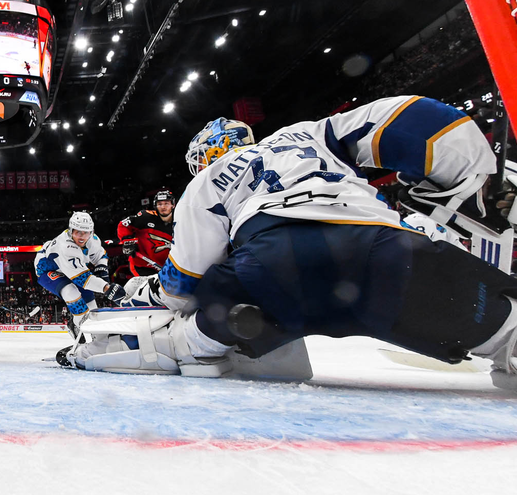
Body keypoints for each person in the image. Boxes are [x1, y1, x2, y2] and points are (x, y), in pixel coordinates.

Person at [60, 96, 517, 391]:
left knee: (190, 334)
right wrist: (469, 183)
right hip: (383, 251)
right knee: (507, 336)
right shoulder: (309, 133)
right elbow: (411, 120)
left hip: (273, 268)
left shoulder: (206, 183)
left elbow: (183, 286)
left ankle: (191, 343)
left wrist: (157, 294)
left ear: (204, 157)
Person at [34, 212, 127, 338]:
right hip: (48, 269)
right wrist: (107, 288)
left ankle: (98, 337)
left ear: (91, 232)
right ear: (71, 231)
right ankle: (77, 325)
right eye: (78, 232)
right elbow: (83, 279)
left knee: (92, 306)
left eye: (86, 232)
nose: (82, 237)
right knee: (70, 291)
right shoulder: (66, 247)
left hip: (72, 269)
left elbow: (101, 255)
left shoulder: (93, 240)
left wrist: (102, 270)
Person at [116, 189, 175, 276]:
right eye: (160, 204)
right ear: (155, 205)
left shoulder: (180, 220)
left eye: (166, 203)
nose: (163, 207)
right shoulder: (145, 217)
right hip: (142, 265)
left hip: (167, 268)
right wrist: (127, 240)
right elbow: (123, 224)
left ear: (173, 205)